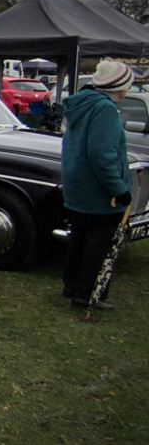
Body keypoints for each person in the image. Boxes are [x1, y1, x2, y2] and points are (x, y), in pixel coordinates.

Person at [61, 59, 133, 310]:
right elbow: (102, 155)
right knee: (98, 244)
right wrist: (119, 190)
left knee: (79, 239)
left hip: (78, 187)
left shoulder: (84, 104)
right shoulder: (103, 109)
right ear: (118, 86)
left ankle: (71, 286)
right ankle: (87, 294)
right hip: (98, 193)